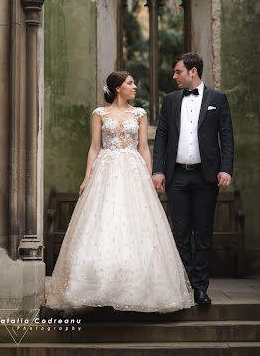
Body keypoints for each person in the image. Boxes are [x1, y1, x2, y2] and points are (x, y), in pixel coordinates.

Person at [45, 71, 193, 312]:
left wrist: (149, 176)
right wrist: (86, 177)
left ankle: (139, 289)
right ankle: (97, 287)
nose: (135, 87)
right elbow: (94, 148)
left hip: (133, 171)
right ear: (117, 88)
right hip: (106, 169)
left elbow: (144, 147)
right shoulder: (100, 114)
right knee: (104, 221)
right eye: (130, 83)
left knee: (138, 225)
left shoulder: (139, 114)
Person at [152, 53, 234, 307]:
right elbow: (162, 137)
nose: (174, 76)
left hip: (206, 176)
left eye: (178, 72)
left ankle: (201, 288)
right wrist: (158, 170)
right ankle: (185, 285)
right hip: (177, 176)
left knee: (203, 234)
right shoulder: (170, 100)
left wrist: (226, 169)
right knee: (180, 233)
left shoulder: (218, 99)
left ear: (193, 72)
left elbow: (227, 136)